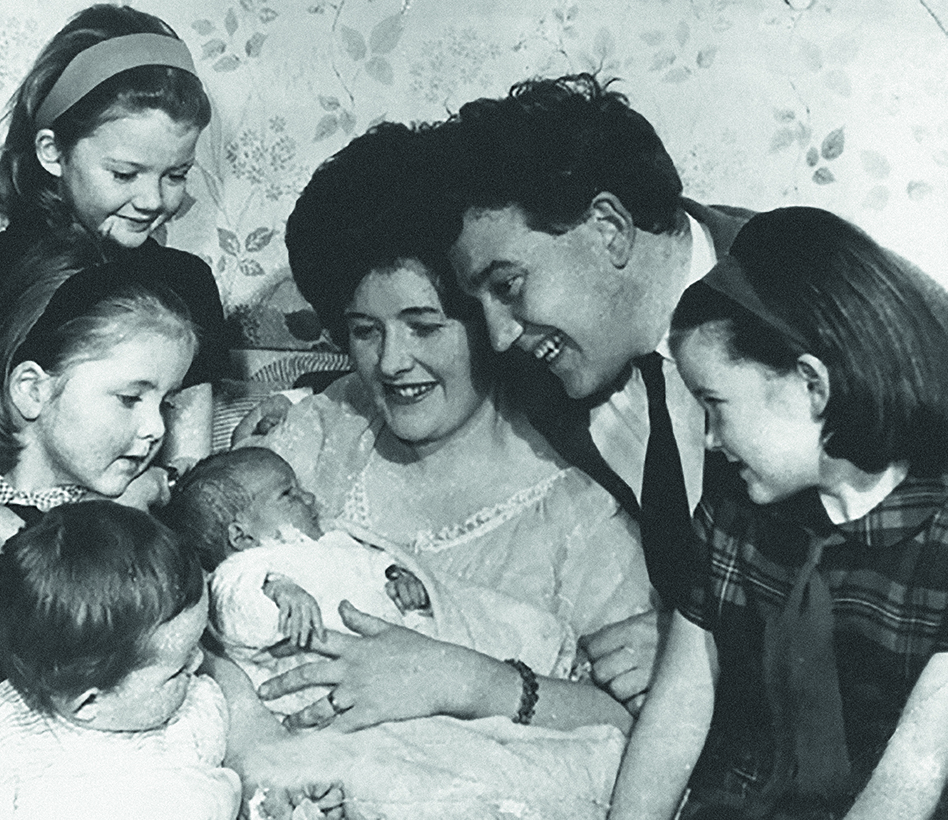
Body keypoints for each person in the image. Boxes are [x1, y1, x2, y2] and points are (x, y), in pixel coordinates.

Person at [234, 121, 653, 734]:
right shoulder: (316, 435)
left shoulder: (576, 510)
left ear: (487, 324)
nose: (392, 362)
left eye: (424, 326)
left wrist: (466, 681)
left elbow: (635, 721)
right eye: (365, 330)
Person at [609, 207, 948, 820]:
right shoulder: (735, 510)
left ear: (812, 387)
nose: (708, 440)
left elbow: (908, 784)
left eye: (715, 405)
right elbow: (679, 706)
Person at [436, 73, 758, 698]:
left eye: (508, 286)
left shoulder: (815, 299)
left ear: (609, 228)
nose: (500, 337)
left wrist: (710, 645)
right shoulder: (545, 368)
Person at [0, 3, 226, 600]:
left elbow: (190, 463)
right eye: (125, 173)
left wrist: (154, 490)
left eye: (176, 174)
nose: (153, 200)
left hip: (113, 551)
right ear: (52, 153)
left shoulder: (185, 283)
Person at [0, 231, 201, 734]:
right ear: (33, 390)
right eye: (130, 398)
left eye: (167, 402)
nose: (157, 429)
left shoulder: (136, 536)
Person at [164, 446, 577, 717]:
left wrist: (398, 577)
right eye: (288, 494)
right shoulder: (246, 569)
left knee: (487, 635)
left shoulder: (331, 541)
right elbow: (238, 618)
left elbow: (369, 562)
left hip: (411, 650)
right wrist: (279, 589)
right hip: (340, 690)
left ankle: (548, 663)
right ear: (240, 536)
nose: (309, 498)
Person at [0, 501, 243, 820]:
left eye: (195, 644)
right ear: (89, 702)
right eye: (179, 668)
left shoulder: (192, 712)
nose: (200, 662)